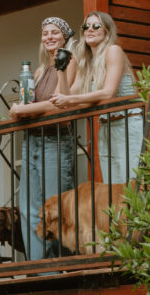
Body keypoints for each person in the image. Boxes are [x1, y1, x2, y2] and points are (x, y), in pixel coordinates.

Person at [9, 15, 76, 259]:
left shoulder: (69, 62)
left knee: (54, 206)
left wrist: (20, 109)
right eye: (45, 32)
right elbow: (33, 103)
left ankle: (58, 263)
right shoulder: (38, 71)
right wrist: (22, 110)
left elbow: (59, 103)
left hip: (55, 140)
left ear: (65, 37)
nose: (49, 36)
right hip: (32, 141)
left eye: (55, 32)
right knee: (28, 207)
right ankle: (36, 265)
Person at [52, 11, 143, 183]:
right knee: (112, 189)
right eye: (86, 26)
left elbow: (108, 92)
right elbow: (66, 97)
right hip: (106, 127)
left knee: (132, 184)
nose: (90, 30)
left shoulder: (113, 51)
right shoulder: (85, 63)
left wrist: (69, 100)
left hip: (127, 125)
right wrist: (61, 69)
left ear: (107, 31)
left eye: (96, 26)